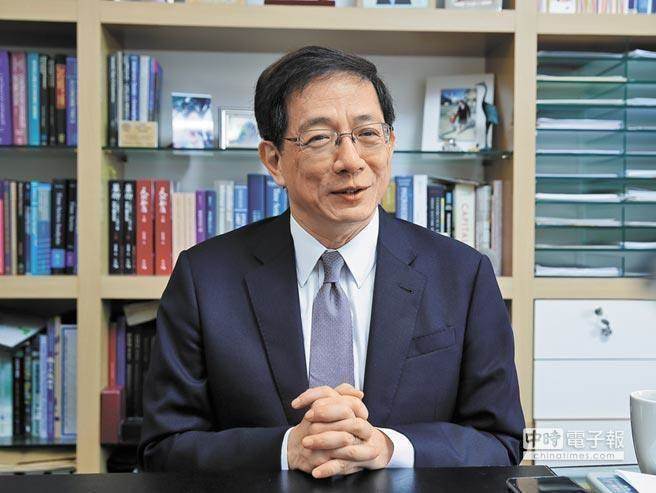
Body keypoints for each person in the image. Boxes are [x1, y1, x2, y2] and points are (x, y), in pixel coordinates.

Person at [138, 45, 525, 478]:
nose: (351, 161)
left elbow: (501, 442)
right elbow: (163, 447)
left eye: (368, 134)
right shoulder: (205, 279)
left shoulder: (463, 276)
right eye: (320, 138)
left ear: (390, 144)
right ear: (274, 161)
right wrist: (286, 449)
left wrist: (390, 448)